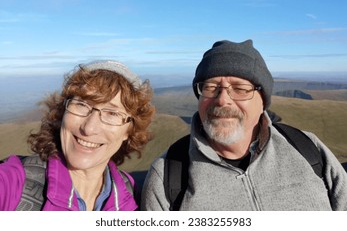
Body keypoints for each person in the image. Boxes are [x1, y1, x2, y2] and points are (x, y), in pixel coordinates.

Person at [141, 39, 347, 211]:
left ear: (262, 101)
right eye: (211, 87)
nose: (222, 100)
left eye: (240, 88)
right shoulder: (167, 175)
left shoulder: (307, 148)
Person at [0, 60, 155, 211]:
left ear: (128, 131)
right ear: (63, 112)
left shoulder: (132, 196)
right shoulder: (13, 183)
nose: (89, 128)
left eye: (112, 113)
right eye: (81, 105)